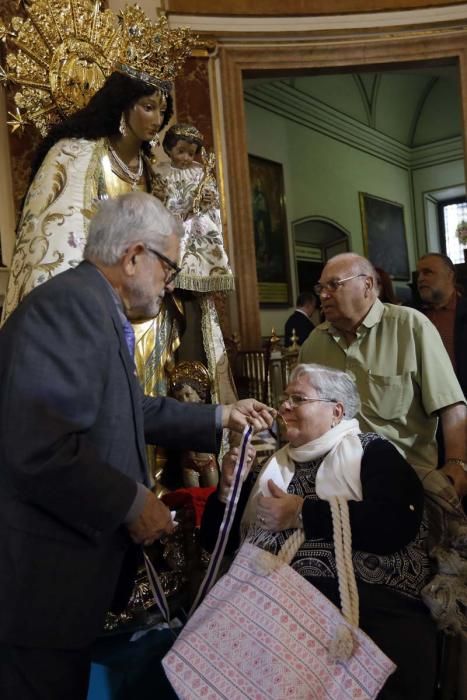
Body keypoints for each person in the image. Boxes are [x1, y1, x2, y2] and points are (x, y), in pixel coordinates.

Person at [0, 192, 273, 700]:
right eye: (168, 266)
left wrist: (219, 415)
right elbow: (39, 445)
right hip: (43, 583)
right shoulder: (70, 308)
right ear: (133, 257)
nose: (170, 281)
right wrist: (132, 502)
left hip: (62, 580)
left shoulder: (94, 306)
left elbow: (131, 407)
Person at [0, 6, 196, 474]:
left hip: (149, 312)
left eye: (163, 109)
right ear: (122, 106)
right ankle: (112, 486)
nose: (157, 118)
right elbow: (50, 237)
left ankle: (152, 488)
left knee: (140, 404)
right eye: (148, 106)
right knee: (100, 413)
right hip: (94, 310)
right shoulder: (75, 155)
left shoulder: (154, 173)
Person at [201, 363, 437, 699]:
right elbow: (215, 544)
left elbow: (396, 522)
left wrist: (301, 512)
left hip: (366, 604)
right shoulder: (271, 468)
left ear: (336, 411)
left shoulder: (373, 452)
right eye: (284, 399)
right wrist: (227, 491)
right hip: (270, 610)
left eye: (298, 398)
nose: (284, 407)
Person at [299, 253, 466, 495]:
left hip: (405, 486)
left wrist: (457, 464)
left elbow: (451, 406)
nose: (323, 295)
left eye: (334, 285)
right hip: (335, 487)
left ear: (366, 285)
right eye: (320, 287)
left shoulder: (410, 327)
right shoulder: (314, 343)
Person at [154, 123, 236, 405]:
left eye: (192, 152)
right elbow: (160, 203)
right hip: (173, 235)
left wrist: (210, 201)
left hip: (197, 244)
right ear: (168, 149)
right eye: (180, 151)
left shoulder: (202, 173)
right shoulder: (160, 172)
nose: (187, 157)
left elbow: (211, 210)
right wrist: (178, 208)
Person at [416, 252, 467, 396]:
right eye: (419, 274)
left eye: (428, 272)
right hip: (423, 403)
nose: (420, 279)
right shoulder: (409, 313)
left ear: (450, 276)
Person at [169, 360, 219, 489]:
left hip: (207, 461)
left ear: (200, 395)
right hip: (188, 463)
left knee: (211, 493)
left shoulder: (206, 415)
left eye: (188, 395)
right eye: (180, 398)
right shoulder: (178, 420)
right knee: (193, 497)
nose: (184, 400)